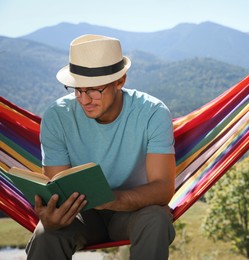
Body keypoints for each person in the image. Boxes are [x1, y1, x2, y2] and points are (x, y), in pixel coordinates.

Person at [25, 34, 176, 260]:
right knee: (47, 232)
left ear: (120, 81)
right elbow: (57, 189)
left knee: (156, 218)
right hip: (81, 215)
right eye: (77, 89)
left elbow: (163, 188)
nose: (84, 100)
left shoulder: (152, 113)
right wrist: (52, 214)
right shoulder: (57, 116)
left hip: (133, 211)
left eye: (94, 90)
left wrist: (111, 199)